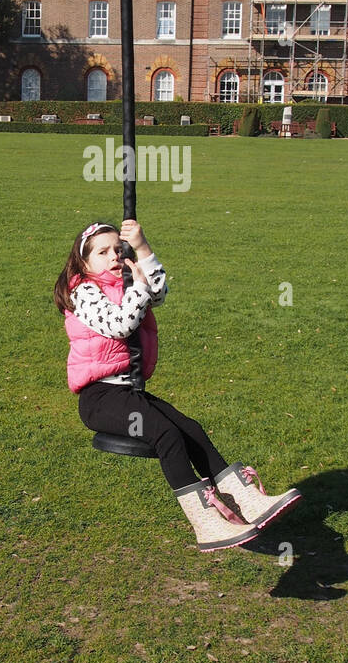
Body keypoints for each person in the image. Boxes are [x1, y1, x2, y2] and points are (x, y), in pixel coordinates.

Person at [53, 219, 301, 553]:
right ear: (84, 262)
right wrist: (138, 286)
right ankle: (206, 523)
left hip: (128, 393)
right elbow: (120, 325)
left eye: (117, 249)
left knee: (190, 429)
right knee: (165, 434)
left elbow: (158, 292)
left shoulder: (123, 280)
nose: (113, 256)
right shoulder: (82, 291)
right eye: (102, 252)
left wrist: (141, 249)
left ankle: (246, 500)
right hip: (101, 397)